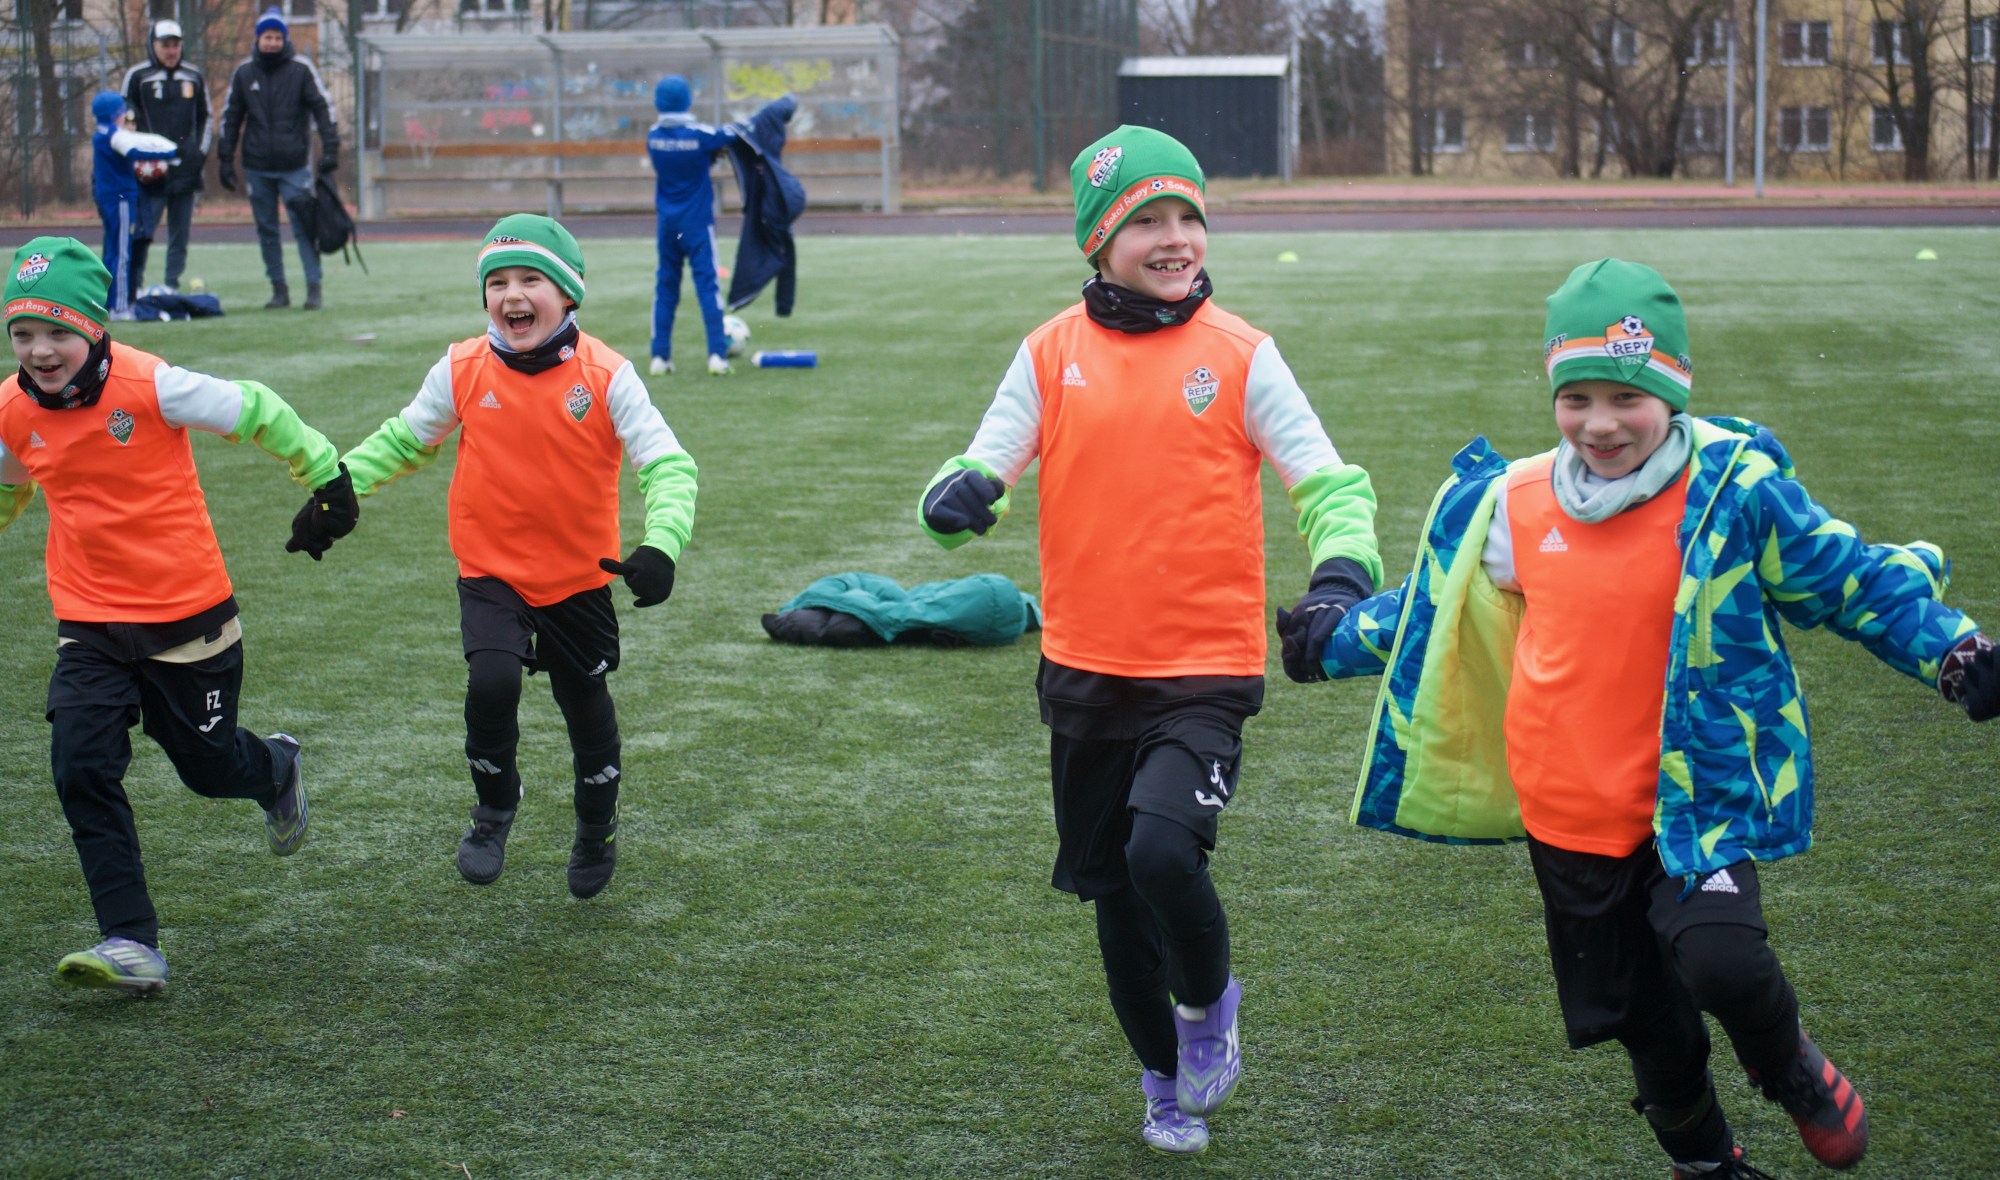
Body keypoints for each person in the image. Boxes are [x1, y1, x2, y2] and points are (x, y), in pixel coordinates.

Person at [1316, 258, 1999, 1178]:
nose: (1600, 423)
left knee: (1725, 964)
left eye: (1627, 399)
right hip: (1567, 816)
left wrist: (1954, 653)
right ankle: (1708, 1163)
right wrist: (1330, 640)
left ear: (1673, 394)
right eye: (1577, 399)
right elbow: (1432, 608)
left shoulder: (1733, 491)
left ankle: (1785, 1063)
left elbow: (1849, 579)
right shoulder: (1514, 501)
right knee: (1649, 1031)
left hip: (1692, 803)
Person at [917, 125, 1382, 1155]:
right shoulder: (1050, 352)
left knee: (1162, 852)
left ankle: (1209, 1004)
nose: (1174, 238)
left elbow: (1329, 482)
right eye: (1145, 221)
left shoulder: (1241, 354)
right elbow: (984, 459)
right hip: (1085, 669)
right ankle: (1162, 1083)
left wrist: (1341, 575)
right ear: (1098, 242)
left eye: (1187, 217)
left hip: (1204, 670)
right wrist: (960, 495)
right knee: (1116, 904)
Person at [0, 236, 358, 995]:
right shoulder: (11, 409)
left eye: (57, 330)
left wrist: (328, 479)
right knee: (80, 765)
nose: (39, 351)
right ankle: (131, 940)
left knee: (208, 768)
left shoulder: (153, 385)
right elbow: (8, 487)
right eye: (22, 334)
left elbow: (256, 408)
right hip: (90, 624)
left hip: (188, 620)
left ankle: (276, 768)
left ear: (93, 326)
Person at [322, 214, 699, 899]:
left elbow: (668, 464)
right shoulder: (463, 367)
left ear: (567, 294)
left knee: (584, 705)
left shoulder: (607, 375)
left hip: (579, 579)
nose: (511, 295)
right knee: (491, 683)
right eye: (497, 283)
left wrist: (661, 545)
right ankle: (494, 807)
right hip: (490, 571)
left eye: (530, 280)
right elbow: (406, 439)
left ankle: (596, 828)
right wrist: (339, 486)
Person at [215, 7, 338, 311]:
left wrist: (331, 147)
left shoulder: (301, 69)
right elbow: (231, 116)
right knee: (267, 231)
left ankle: (314, 287)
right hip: (257, 167)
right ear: (258, 39)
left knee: (305, 228)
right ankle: (278, 289)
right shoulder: (244, 72)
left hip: (295, 166)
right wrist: (225, 159)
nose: (272, 42)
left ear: (285, 39)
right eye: (267, 37)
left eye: (277, 37)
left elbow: (323, 108)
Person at [645, 74, 737, 377]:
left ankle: (660, 356)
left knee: (666, 287)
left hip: (667, 225)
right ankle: (717, 355)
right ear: (687, 100)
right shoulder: (700, 134)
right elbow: (731, 134)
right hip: (697, 224)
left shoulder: (653, 136)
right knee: (708, 287)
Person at [121, 18, 211, 295]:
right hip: (150, 171)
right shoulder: (138, 76)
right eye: (165, 45)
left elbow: (206, 117)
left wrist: (198, 154)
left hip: (186, 169)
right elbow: (125, 119)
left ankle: (171, 286)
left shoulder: (194, 76)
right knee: (143, 232)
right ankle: (134, 287)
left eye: (175, 45)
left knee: (180, 234)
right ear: (153, 45)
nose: (171, 51)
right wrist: (137, 157)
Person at [88, 91, 178, 320]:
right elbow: (137, 149)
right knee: (121, 253)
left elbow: (136, 139)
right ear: (115, 114)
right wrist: (172, 152)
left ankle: (107, 303)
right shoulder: (114, 136)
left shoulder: (102, 133)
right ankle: (119, 307)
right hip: (120, 199)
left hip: (108, 198)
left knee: (111, 252)